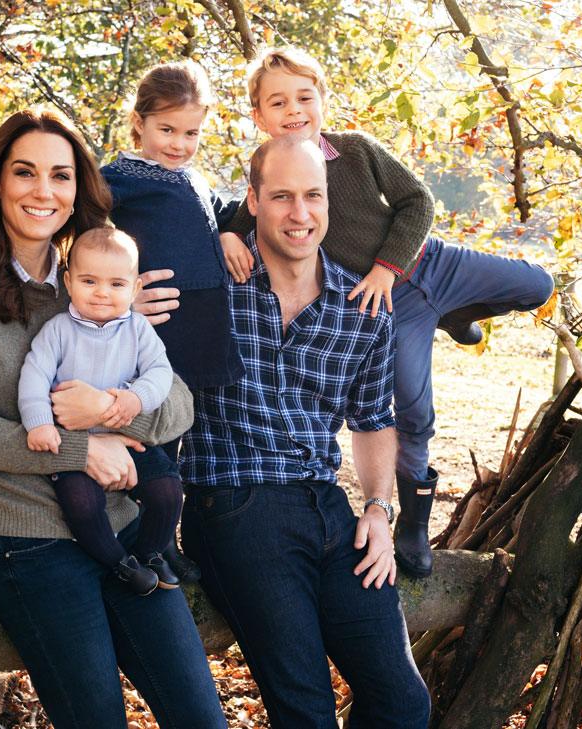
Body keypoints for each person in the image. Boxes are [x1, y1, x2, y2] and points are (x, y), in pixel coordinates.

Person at [0, 108, 226, 729]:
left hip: (127, 530)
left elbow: (180, 402)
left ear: (79, 188)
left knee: (201, 717)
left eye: (61, 175)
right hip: (30, 542)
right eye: (25, 172)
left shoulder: (98, 279)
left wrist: (114, 412)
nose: (43, 191)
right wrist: (83, 451)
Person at [218, 46, 554, 578]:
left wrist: (385, 266)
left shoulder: (355, 150)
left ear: (322, 100)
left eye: (305, 97)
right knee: (413, 411)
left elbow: (417, 201)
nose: (294, 110)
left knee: (538, 284)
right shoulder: (272, 179)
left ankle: (457, 312)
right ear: (259, 116)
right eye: (277, 103)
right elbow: (245, 218)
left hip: (430, 264)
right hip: (392, 309)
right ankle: (414, 525)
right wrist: (225, 237)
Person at [180, 135, 431, 728]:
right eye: (282, 196)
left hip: (327, 508)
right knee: (306, 710)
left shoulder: (361, 304)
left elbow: (373, 419)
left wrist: (377, 508)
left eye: (312, 196)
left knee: (403, 703)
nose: (300, 213)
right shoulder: (211, 281)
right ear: (253, 200)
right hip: (235, 505)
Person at [101, 60, 245, 581]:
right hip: (159, 328)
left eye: (191, 133)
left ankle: (166, 539)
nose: (180, 143)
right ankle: (147, 540)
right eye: (167, 130)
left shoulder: (193, 177)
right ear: (138, 122)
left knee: (179, 437)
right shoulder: (118, 178)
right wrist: (118, 291)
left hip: (201, 328)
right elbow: (81, 233)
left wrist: (229, 231)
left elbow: (219, 211)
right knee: (153, 437)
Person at [18, 227, 182, 594]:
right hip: (74, 445)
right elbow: (33, 377)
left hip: (125, 439)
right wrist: (40, 424)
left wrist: (134, 399)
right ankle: (119, 564)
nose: (102, 293)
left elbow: (160, 373)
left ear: (135, 288)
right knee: (81, 504)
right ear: (69, 281)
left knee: (167, 490)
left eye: (116, 284)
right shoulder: (57, 331)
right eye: (89, 281)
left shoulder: (138, 330)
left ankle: (150, 552)